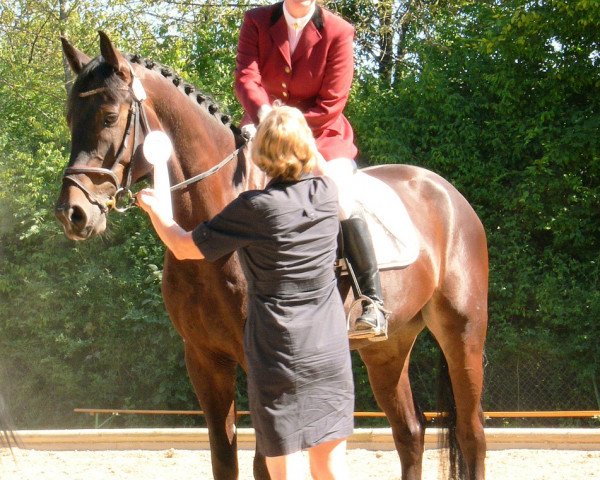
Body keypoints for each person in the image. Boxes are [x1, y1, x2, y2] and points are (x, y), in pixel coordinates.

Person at [137, 106, 354, 480]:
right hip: (330, 350)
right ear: (305, 148)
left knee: (284, 473)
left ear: (259, 154)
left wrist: (158, 212)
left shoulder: (254, 208)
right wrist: (307, 146)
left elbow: (184, 246)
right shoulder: (327, 192)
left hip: (280, 355)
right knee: (330, 470)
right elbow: (340, 196)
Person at [235, 0, 387, 340]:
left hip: (321, 136)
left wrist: (289, 126)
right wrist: (265, 118)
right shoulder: (257, 21)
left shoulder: (339, 31)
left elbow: (333, 102)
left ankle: (372, 302)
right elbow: (247, 76)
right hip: (264, 130)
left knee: (341, 198)